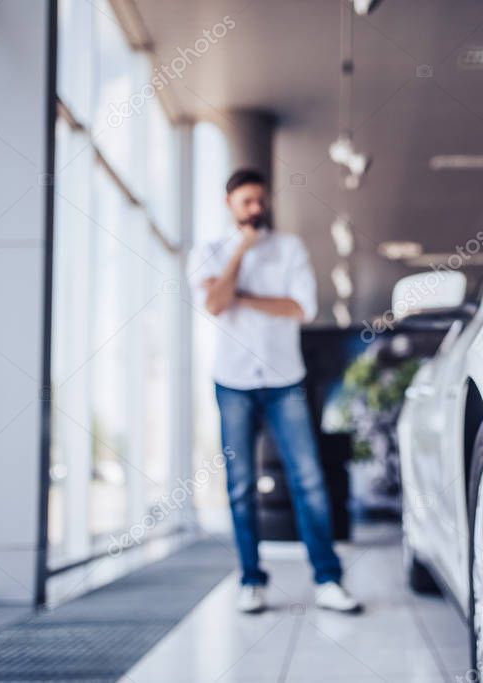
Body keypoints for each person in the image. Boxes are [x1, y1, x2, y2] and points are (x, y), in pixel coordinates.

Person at [189, 169, 362, 614]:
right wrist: (239, 257)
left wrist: (239, 296)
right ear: (229, 203)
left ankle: (328, 580)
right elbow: (213, 304)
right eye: (246, 201)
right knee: (241, 485)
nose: (255, 208)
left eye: (260, 200)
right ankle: (251, 579)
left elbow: (300, 308)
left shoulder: (290, 249)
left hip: (285, 380)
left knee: (309, 482)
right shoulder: (208, 251)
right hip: (233, 383)